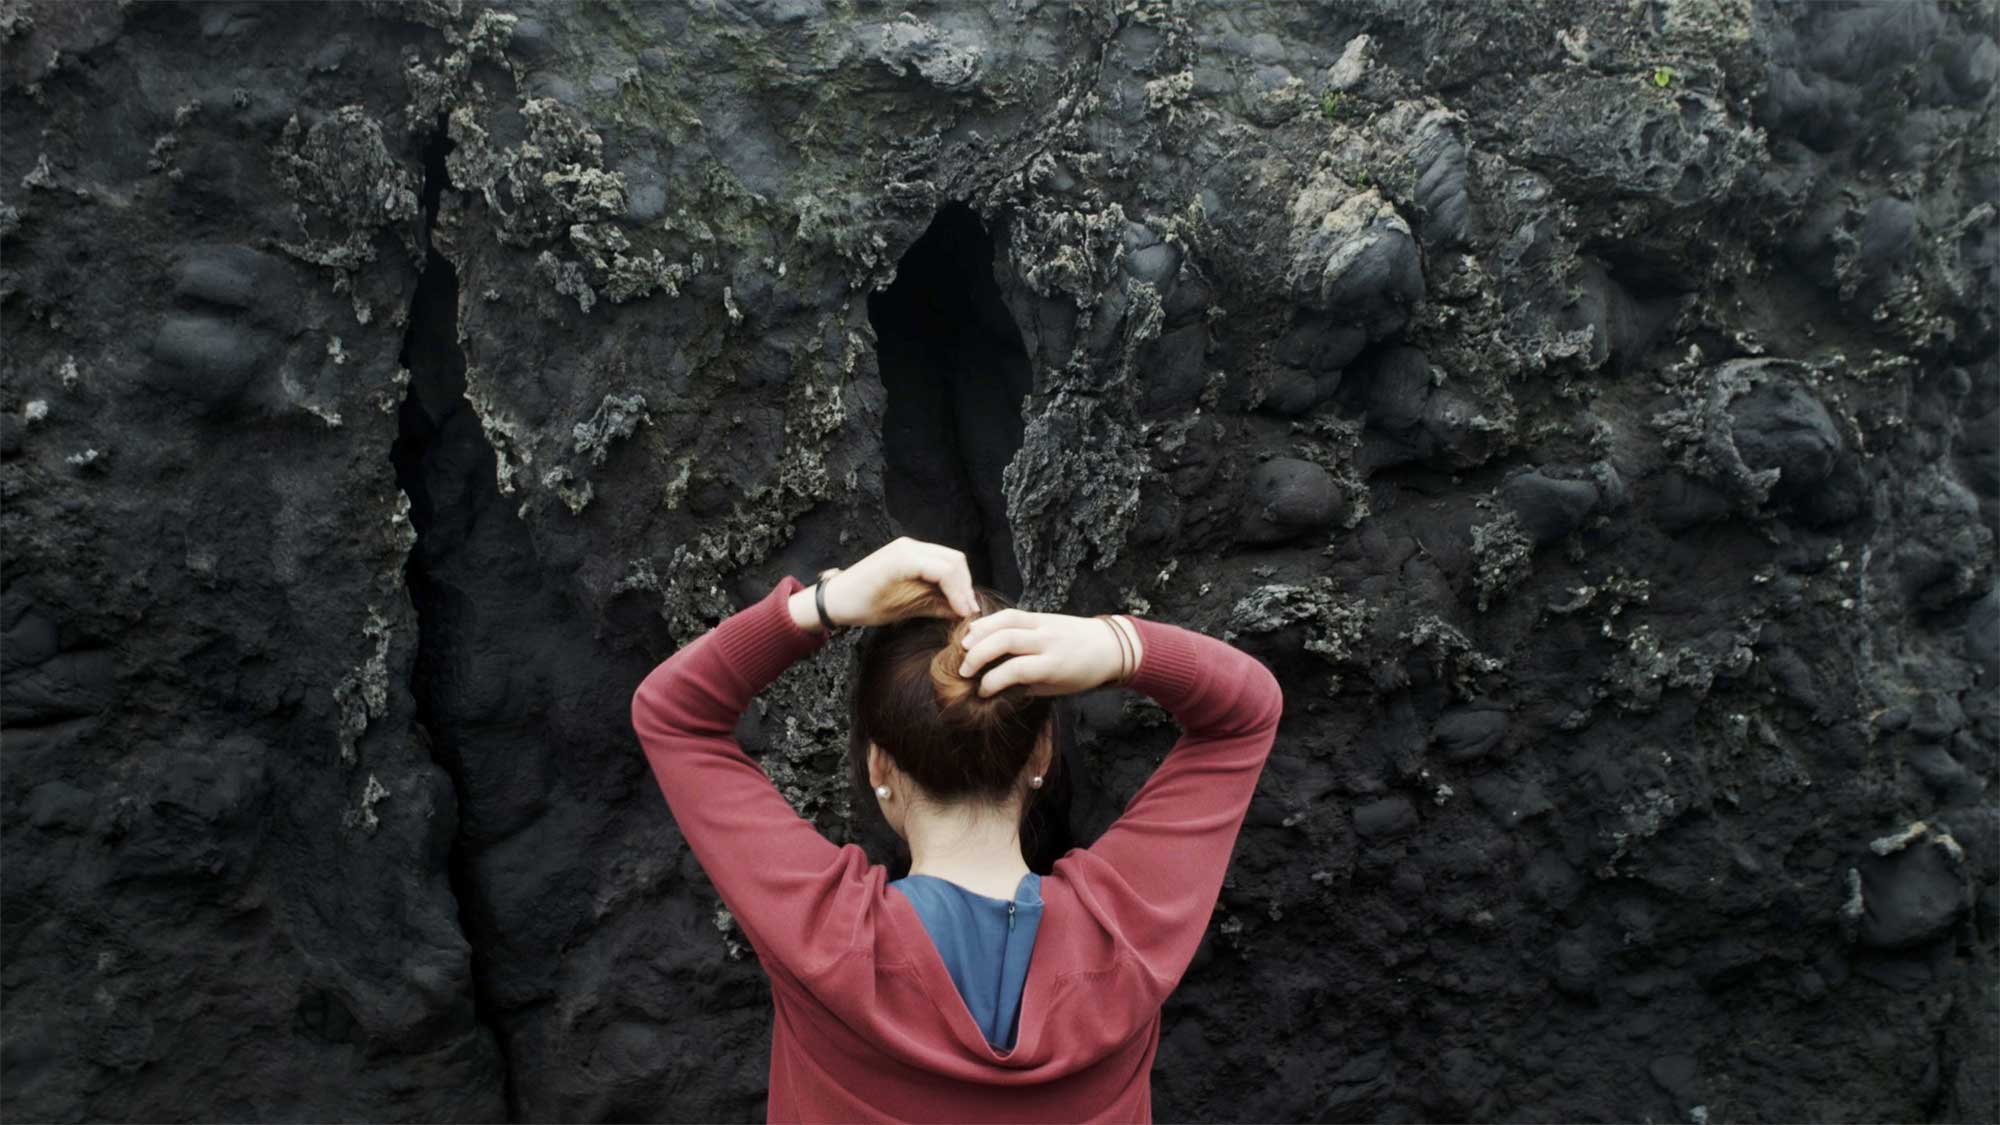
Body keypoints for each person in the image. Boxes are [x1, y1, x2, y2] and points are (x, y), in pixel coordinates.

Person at [630, 537, 1283, 1123]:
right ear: (1042, 756)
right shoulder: (1127, 933)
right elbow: (1246, 710)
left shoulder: (823, 935)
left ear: (878, 766)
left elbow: (673, 713)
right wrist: (1117, 644)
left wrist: (823, 604)